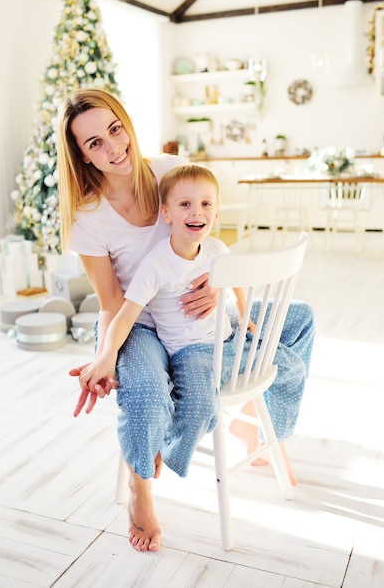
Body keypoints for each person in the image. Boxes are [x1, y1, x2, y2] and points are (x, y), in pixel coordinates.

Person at [57, 87, 315, 554]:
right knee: (148, 391)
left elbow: (207, 237)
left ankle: (258, 425)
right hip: (134, 321)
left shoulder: (170, 173)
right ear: (81, 156)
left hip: (195, 313)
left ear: (127, 123)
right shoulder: (87, 216)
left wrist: (215, 283)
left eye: (115, 129)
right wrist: (107, 355)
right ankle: (140, 487)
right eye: (94, 143)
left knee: (297, 319)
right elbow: (113, 302)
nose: (113, 147)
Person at [77, 163, 246, 480]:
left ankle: (253, 426)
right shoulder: (157, 263)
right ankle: (168, 450)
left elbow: (235, 279)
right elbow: (123, 312)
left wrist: (243, 311)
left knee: (289, 337)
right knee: (201, 408)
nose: (197, 212)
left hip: (224, 338)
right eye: (185, 205)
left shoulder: (216, 248)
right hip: (189, 351)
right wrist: (107, 354)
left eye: (206, 204)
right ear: (165, 214)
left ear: (217, 213)